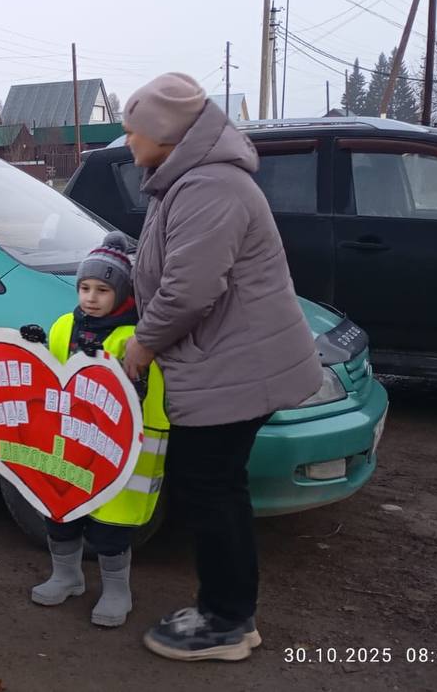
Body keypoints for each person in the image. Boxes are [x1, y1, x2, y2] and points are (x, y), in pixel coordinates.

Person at [118, 73, 321, 661]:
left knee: (210, 488)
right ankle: (227, 611)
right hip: (223, 362)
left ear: (165, 134)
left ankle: (227, 621)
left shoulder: (210, 187)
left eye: (133, 132)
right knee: (215, 487)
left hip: (234, 367)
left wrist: (143, 345)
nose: (128, 142)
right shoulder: (182, 182)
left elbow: (188, 290)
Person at [19, 232, 169, 629]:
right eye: (84, 287)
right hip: (68, 443)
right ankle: (66, 576)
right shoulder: (64, 326)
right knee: (61, 511)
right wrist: (31, 350)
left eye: (102, 289)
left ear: (121, 293)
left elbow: (141, 392)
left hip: (119, 448)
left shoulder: (134, 339)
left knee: (110, 526)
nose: (90, 297)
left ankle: (118, 590)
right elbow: (49, 381)